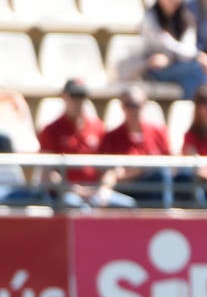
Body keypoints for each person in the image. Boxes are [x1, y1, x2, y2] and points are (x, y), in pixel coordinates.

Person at [37, 79, 136, 209]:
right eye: (74, 96)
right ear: (64, 97)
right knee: (79, 206)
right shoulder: (51, 130)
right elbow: (47, 173)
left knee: (129, 205)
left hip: (95, 190)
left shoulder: (97, 127)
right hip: (65, 192)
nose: (78, 101)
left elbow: (109, 168)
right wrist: (73, 189)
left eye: (82, 97)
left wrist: (104, 188)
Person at [98, 84, 175, 209]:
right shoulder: (111, 137)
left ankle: (163, 220)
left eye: (136, 105)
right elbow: (108, 175)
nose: (133, 110)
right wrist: (135, 172)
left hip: (153, 191)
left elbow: (171, 167)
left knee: (162, 174)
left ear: (144, 105)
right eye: (128, 105)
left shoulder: (158, 132)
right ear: (122, 106)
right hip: (125, 190)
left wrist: (140, 170)